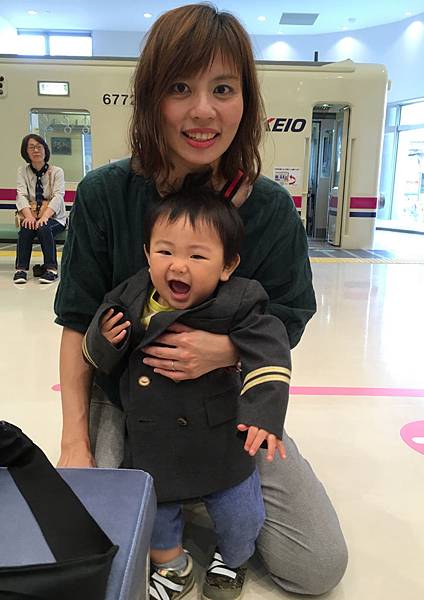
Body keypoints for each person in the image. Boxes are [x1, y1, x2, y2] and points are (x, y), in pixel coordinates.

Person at [55, 3, 348, 597]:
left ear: (247, 101)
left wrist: (224, 353)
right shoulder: (106, 194)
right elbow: (78, 322)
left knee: (317, 566)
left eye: (223, 89)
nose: (203, 111)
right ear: (151, 97)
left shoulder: (270, 210)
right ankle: (175, 492)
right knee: (93, 558)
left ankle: (199, 490)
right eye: (180, 88)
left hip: (227, 408)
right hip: (128, 403)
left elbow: (287, 319)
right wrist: (74, 441)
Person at [82, 176, 291, 599]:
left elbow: (270, 349)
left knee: (241, 511)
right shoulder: (130, 296)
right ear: (147, 253)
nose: (178, 266)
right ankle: (173, 566)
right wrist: (105, 338)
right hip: (151, 437)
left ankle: (232, 558)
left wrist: (264, 414)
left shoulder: (239, 301)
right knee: (155, 514)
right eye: (165, 252)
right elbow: (96, 352)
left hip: (219, 439)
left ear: (227, 265)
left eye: (197, 255)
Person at [14, 134, 67, 284]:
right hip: (32, 215)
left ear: (45, 150)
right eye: (31, 147)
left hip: (55, 218)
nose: (36, 150)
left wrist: (44, 217)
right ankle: (21, 269)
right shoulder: (22, 171)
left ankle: (51, 269)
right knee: (26, 228)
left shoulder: (57, 171)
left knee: (44, 227)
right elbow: (21, 195)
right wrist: (29, 217)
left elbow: (58, 196)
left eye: (39, 147)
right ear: (26, 151)